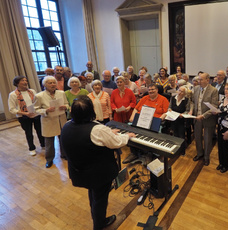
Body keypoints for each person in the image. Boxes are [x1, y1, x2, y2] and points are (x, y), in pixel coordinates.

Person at [60, 95, 135, 230]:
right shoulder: (98, 129)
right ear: (91, 111)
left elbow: (86, 137)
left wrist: (108, 133)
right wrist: (126, 136)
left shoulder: (66, 125)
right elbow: (116, 142)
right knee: (100, 199)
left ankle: (96, 215)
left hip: (79, 171)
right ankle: (99, 224)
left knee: (94, 194)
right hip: (98, 173)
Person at [123, 84, 169, 163]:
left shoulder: (163, 99)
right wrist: (132, 117)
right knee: (130, 130)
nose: (151, 91)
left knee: (150, 133)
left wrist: (159, 119)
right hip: (141, 120)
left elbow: (167, 112)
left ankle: (149, 154)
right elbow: (136, 109)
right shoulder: (144, 98)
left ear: (157, 90)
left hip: (154, 121)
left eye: (153, 89)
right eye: (149, 90)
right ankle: (134, 153)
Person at [35, 76, 69, 168]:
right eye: (50, 83)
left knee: (63, 139)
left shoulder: (61, 93)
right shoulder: (39, 96)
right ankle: (49, 159)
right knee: (49, 143)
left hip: (61, 119)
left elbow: (67, 104)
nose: (53, 84)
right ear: (44, 85)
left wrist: (65, 107)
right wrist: (46, 110)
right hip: (48, 121)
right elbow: (36, 110)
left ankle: (64, 155)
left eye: (54, 82)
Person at [8, 76, 45, 156]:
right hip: (24, 116)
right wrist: (25, 113)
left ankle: (43, 144)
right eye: (22, 80)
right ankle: (32, 148)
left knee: (40, 130)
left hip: (35, 114)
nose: (25, 82)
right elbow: (12, 109)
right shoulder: (13, 94)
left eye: (26, 80)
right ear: (17, 83)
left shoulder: (32, 91)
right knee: (29, 133)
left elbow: (37, 102)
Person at [192, 73, 219, 166]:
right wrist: (191, 110)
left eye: (201, 80)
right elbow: (192, 101)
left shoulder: (213, 90)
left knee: (207, 139)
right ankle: (199, 153)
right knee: (197, 137)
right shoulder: (195, 88)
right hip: (197, 117)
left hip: (208, 118)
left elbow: (214, 106)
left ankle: (206, 157)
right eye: (198, 79)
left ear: (208, 80)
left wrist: (203, 115)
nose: (198, 81)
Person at [168, 86, 192, 154]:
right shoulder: (173, 98)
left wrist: (183, 114)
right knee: (175, 134)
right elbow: (169, 107)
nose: (180, 92)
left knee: (181, 135)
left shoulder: (187, 100)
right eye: (179, 90)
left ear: (185, 93)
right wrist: (169, 110)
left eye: (182, 91)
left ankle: (182, 151)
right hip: (173, 119)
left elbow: (187, 110)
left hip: (181, 120)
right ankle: (175, 149)